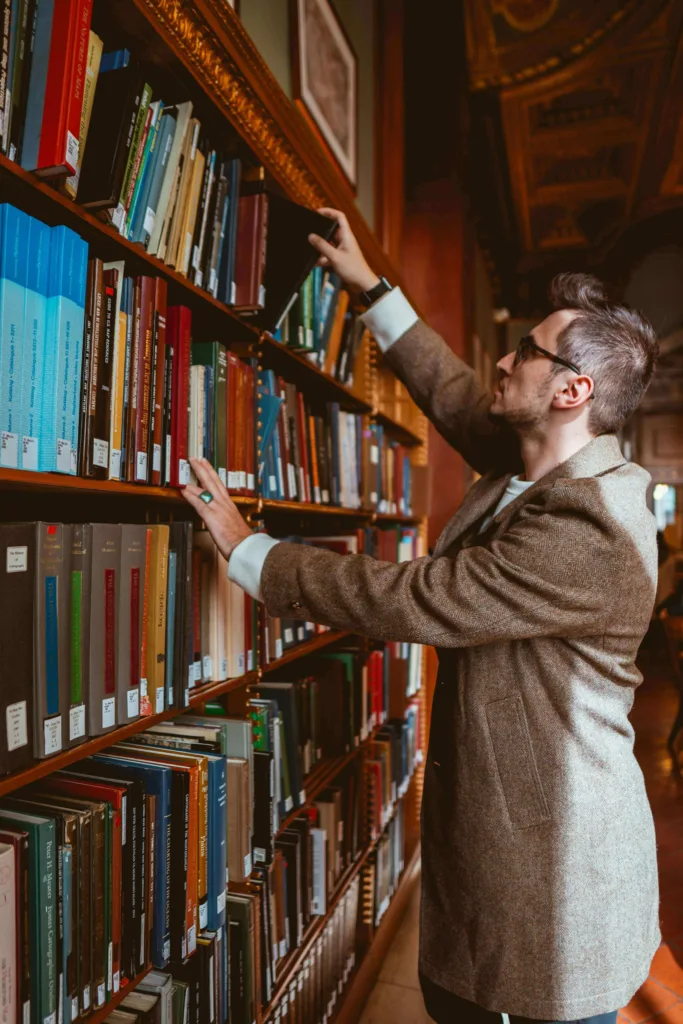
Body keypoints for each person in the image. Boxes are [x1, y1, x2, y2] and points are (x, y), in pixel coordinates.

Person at [183, 209, 661, 1024]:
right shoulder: (542, 458)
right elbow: (454, 397)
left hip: (558, 867)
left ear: (570, 391)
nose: (503, 361)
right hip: (504, 837)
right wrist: (369, 286)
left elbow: (419, 598)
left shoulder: (594, 529)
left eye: (526, 352)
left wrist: (250, 552)